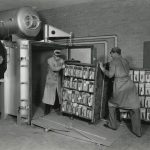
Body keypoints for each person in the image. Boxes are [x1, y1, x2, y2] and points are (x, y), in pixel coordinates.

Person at [99, 47, 142, 137]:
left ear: (115, 53)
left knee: (111, 104)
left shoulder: (113, 62)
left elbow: (110, 75)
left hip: (120, 85)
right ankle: (138, 132)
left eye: (111, 53)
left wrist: (102, 68)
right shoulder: (125, 61)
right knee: (134, 107)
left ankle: (112, 125)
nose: (110, 55)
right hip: (130, 85)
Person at [42, 49, 65, 115]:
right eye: (56, 55)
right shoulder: (49, 60)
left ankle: (56, 108)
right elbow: (54, 69)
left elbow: (63, 66)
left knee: (58, 95)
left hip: (57, 80)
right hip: (50, 81)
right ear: (53, 54)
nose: (57, 57)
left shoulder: (61, 60)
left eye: (58, 56)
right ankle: (46, 112)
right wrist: (61, 66)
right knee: (48, 97)